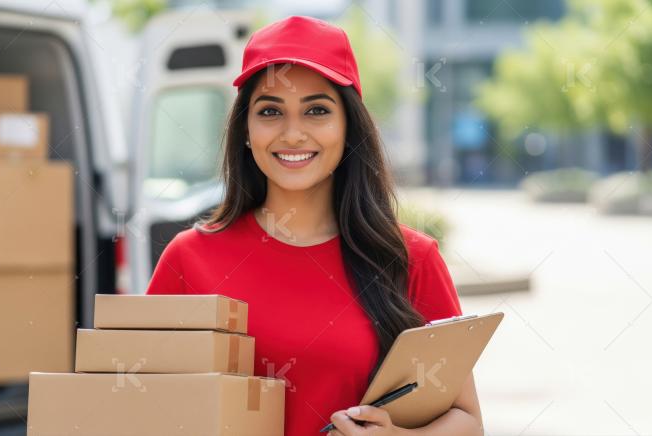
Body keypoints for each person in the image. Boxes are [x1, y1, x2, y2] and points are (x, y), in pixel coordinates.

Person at [146, 15, 484, 436]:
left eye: (317, 111)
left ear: (348, 128)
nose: (292, 133)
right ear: (246, 131)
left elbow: (467, 421)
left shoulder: (410, 258)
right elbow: (145, 407)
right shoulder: (188, 258)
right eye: (270, 111)